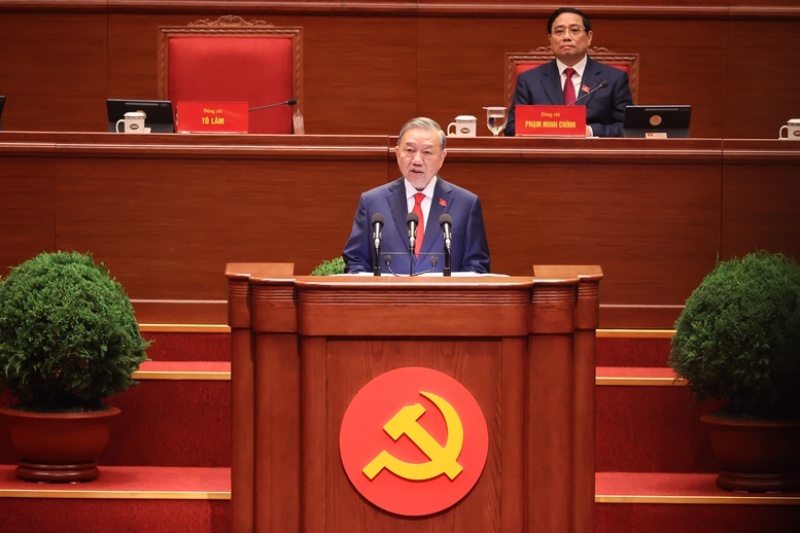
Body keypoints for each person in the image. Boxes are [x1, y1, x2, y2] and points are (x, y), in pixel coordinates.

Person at [343, 117, 490, 276]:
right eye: (410, 150)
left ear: (442, 157)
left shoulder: (466, 204)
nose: (417, 160)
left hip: (444, 300)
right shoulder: (372, 202)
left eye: (427, 152)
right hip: (387, 300)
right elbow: (356, 261)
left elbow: (476, 267)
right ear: (397, 153)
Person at [505, 7, 633, 138]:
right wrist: (548, 129)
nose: (566, 37)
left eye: (575, 30)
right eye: (559, 31)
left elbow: (627, 128)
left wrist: (590, 131)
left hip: (593, 154)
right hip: (545, 154)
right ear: (550, 39)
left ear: (589, 37)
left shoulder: (613, 79)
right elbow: (511, 128)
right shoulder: (529, 80)